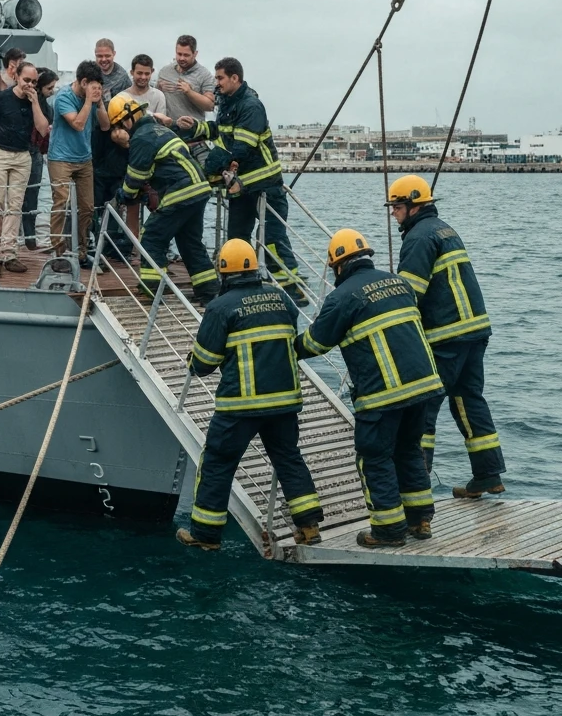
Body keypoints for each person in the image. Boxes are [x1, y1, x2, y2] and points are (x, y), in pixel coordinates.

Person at [295, 229, 442, 547]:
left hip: (383, 394)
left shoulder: (342, 296)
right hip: (425, 385)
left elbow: (316, 342)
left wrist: (287, 349)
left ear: (337, 265)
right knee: (408, 451)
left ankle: (389, 530)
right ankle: (420, 521)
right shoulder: (399, 283)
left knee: (374, 457)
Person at [176, 239, 323, 550]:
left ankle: (205, 534)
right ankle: (309, 527)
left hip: (239, 407)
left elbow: (204, 364)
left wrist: (192, 360)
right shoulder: (282, 298)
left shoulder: (220, 307)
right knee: (288, 458)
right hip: (284, 402)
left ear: (223, 273)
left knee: (218, 462)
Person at [387, 174, 506, 499]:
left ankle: (416, 482)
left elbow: (410, 293)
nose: (393, 213)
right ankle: (488, 474)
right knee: (469, 400)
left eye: (396, 207)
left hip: (444, 337)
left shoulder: (418, 239)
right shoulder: (446, 230)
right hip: (475, 332)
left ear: (413, 206)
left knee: (422, 406)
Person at [177, 57, 305, 304]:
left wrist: (215, 167)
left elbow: (241, 148)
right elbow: (220, 131)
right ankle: (238, 286)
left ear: (235, 78)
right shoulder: (227, 103)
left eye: (220, 78)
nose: (217, 83)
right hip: (240, 187)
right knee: (236, 238)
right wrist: (195, 127)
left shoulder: (251, 106)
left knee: (273, 240)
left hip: (265, 185)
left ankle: (293, 290)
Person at [110, 95, 219, 305]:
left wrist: (121, 197)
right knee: (190, 242)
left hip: (180, 193)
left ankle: (152, 292)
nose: (119, 132)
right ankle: (208, 292)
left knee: (152, 238)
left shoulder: (141, 137)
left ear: (126, 120)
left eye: (118, 126)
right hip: (199, 189)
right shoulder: (161, 130)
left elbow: (135, 179)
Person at [0, 62, 50, 274]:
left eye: (34, 81)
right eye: (26, 80)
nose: (29, 84)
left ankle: (9, 253)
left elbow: (42, 129)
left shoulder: (37, 101)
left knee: (15, 206)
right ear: (17, 77)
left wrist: (35, 103)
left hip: (23, 156)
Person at [47, 60, 109, 267]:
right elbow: (78, 124)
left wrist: (99, 103)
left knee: (87, 208)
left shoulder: (91, 100)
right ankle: (59, 251)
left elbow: (105, 125)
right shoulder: (63, 97)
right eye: (93, 86)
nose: (96, 90)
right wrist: (89, 102)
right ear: (83, 82)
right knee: (61, 203)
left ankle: (81, 251)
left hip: (84, 159)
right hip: (61, 158)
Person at [91, 39, 134, 260]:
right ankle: (94, 240)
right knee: (95, 197)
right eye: (100, 56)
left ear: (114, 54)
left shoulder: (123, 77)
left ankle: (113, 245)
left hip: (116, 141)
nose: (103, 60)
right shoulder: (91, 74)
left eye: (107, 56)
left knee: (116, 197)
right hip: (97, 138)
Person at [155, 34, 215, 163]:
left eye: (186, 55)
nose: (181, 58)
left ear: (195, 54)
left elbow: (210, 105)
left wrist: (189, 92)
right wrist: (159, 89)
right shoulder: (165, 72)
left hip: (195, 139)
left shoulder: (205, 75)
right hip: (170, 137)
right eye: (179, 54)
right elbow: (156, 99)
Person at [21, 69, 58, 251]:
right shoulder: (28, 103)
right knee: (21, 197)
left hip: (35, 153)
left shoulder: (46, 107)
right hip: (24, 152)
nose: (52, 91)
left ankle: (30, 238)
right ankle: (26, 238)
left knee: (32, 196)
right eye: (49, 88)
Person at [125, 54, 167, 120]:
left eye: (147, 74)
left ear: (152, 72)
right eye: (139, 73)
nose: (143, 77)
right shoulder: (122, 97)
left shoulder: (159, 96)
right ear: (132, 72)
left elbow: (161, 125)